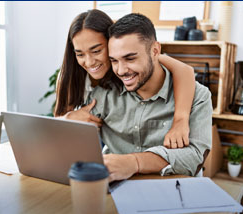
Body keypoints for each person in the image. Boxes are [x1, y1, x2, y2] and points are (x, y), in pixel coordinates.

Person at [87, 13, 213, 182]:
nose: (121, 70)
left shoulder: (198, 96)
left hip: (174, 191)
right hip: (116, 191)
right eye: (114, 61)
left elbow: (195, 158)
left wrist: (134, 162)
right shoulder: (103, 94)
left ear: (155, 51)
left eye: (130, 58)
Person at [54, 9, 195, 149]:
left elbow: (185, 71)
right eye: (80, 54)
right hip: (95, 134)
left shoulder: (133, 61)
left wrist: (180, 120)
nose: (89, 62)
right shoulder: (69, 77)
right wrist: (68, 119)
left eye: (96, 51)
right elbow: (57, 129)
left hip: (120, 131)